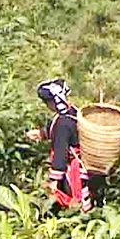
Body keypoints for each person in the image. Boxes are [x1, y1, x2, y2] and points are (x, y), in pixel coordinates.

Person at [25, 79, 94, 213]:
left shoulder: (62, 123)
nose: (46, 106)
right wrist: (41, 133)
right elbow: (62, 130)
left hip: (72, 171)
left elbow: (60, 154)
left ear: (53, 101)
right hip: (83, 167)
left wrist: (54, 182)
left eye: (46, 102)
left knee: (71, 204)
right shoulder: (73, 112)